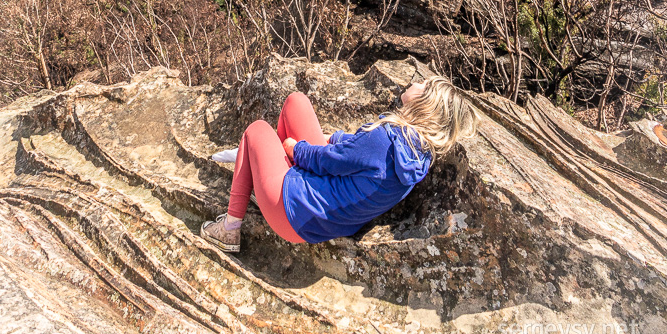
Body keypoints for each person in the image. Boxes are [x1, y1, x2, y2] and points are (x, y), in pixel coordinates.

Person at [200, 75, 479, 252]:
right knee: (296, 102)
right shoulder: (418, 154)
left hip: (294, 213)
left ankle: (229, 230)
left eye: (423, 85)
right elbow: (358, 152)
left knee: (257, 131)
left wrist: (296, 150)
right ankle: (264, 174)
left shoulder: (384, 141)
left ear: (424, 103)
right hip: (325, 217)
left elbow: (328, 161)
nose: (415, 83)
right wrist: (333, 138)